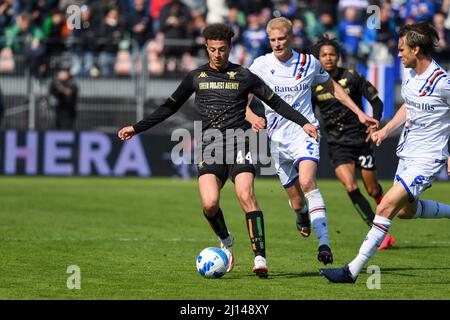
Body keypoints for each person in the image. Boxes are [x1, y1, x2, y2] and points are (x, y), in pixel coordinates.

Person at [118, 23, 319, 278]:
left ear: (229, 48)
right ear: (206, 48)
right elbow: (168, 108)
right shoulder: (195, 77)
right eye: (212, 50)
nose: (217, 54)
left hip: (240, 141)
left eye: (222, 50)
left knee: (246, 195)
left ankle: (260, 257)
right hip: (209, 145)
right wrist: (136, 128)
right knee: (210, 204)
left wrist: (304, 122)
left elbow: (276, 103)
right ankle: (226, 239)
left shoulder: (245, 76)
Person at [320, 22, 450, 283]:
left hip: (427, 158)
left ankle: (352, 270)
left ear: (416, 49)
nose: (398, 54)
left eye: (402, 49)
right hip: (407, 153)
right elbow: (409, 107)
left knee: (386, 206)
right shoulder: (412, 76)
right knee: (405, 212)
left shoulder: (442, 82)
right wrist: (385, 129)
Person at [245, 17, 379, 265]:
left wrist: (359, 112)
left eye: (281, 39)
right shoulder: (260, 65)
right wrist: (250, 114)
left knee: (308, 181)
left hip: (305, 132)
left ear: (292, 37)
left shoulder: (308, 62)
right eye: (272, 40)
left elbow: (334, 88)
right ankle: (301, 214)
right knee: (296, 200)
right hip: (276, 138)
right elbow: (245, 93)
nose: (276, 44)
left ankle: (324, 245)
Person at [312, 36, 396, 250]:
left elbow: (376, 101)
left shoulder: (352, 77)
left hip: (359, 140)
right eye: (324, 55)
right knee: (350, 186)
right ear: (318, 58)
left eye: (332, 54)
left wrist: (374, 125)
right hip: (336, 144)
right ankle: (377, 234)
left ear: (338, 57)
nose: (328, 58)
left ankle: (385, 212)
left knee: (373, 189)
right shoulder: (314, 84)